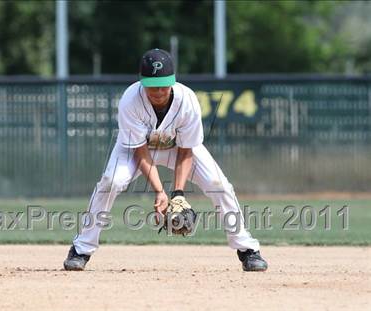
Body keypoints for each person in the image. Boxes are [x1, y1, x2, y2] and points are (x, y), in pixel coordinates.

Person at [63, 48, 268, 272]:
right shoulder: (130, 101)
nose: (159, 91)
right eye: (152, 86)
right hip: (136, 150)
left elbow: (186, 151)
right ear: (142, 82)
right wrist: (160, 191)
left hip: (177, 149)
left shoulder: (187, 100)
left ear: (173, 81)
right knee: (110, 182)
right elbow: (140, 152)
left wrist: (177, 194)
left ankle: (247, 249)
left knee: (218, 185)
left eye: (164, 84)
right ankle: (81, 248)